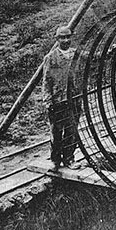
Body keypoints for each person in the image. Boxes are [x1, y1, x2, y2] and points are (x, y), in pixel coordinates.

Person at [43, 26, 80, 170]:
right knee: (56, 132)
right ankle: (56, 161)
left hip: (74, 99)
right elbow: (46, 81)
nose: (66, 40)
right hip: (57, 101)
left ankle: (69, 159)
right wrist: (48, 101)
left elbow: (93, 57)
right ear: (57, 39)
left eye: (68, 37)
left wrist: (110, 51)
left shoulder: (76, 54)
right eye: (62, 38)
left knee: (72, 131)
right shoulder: (51, 58)